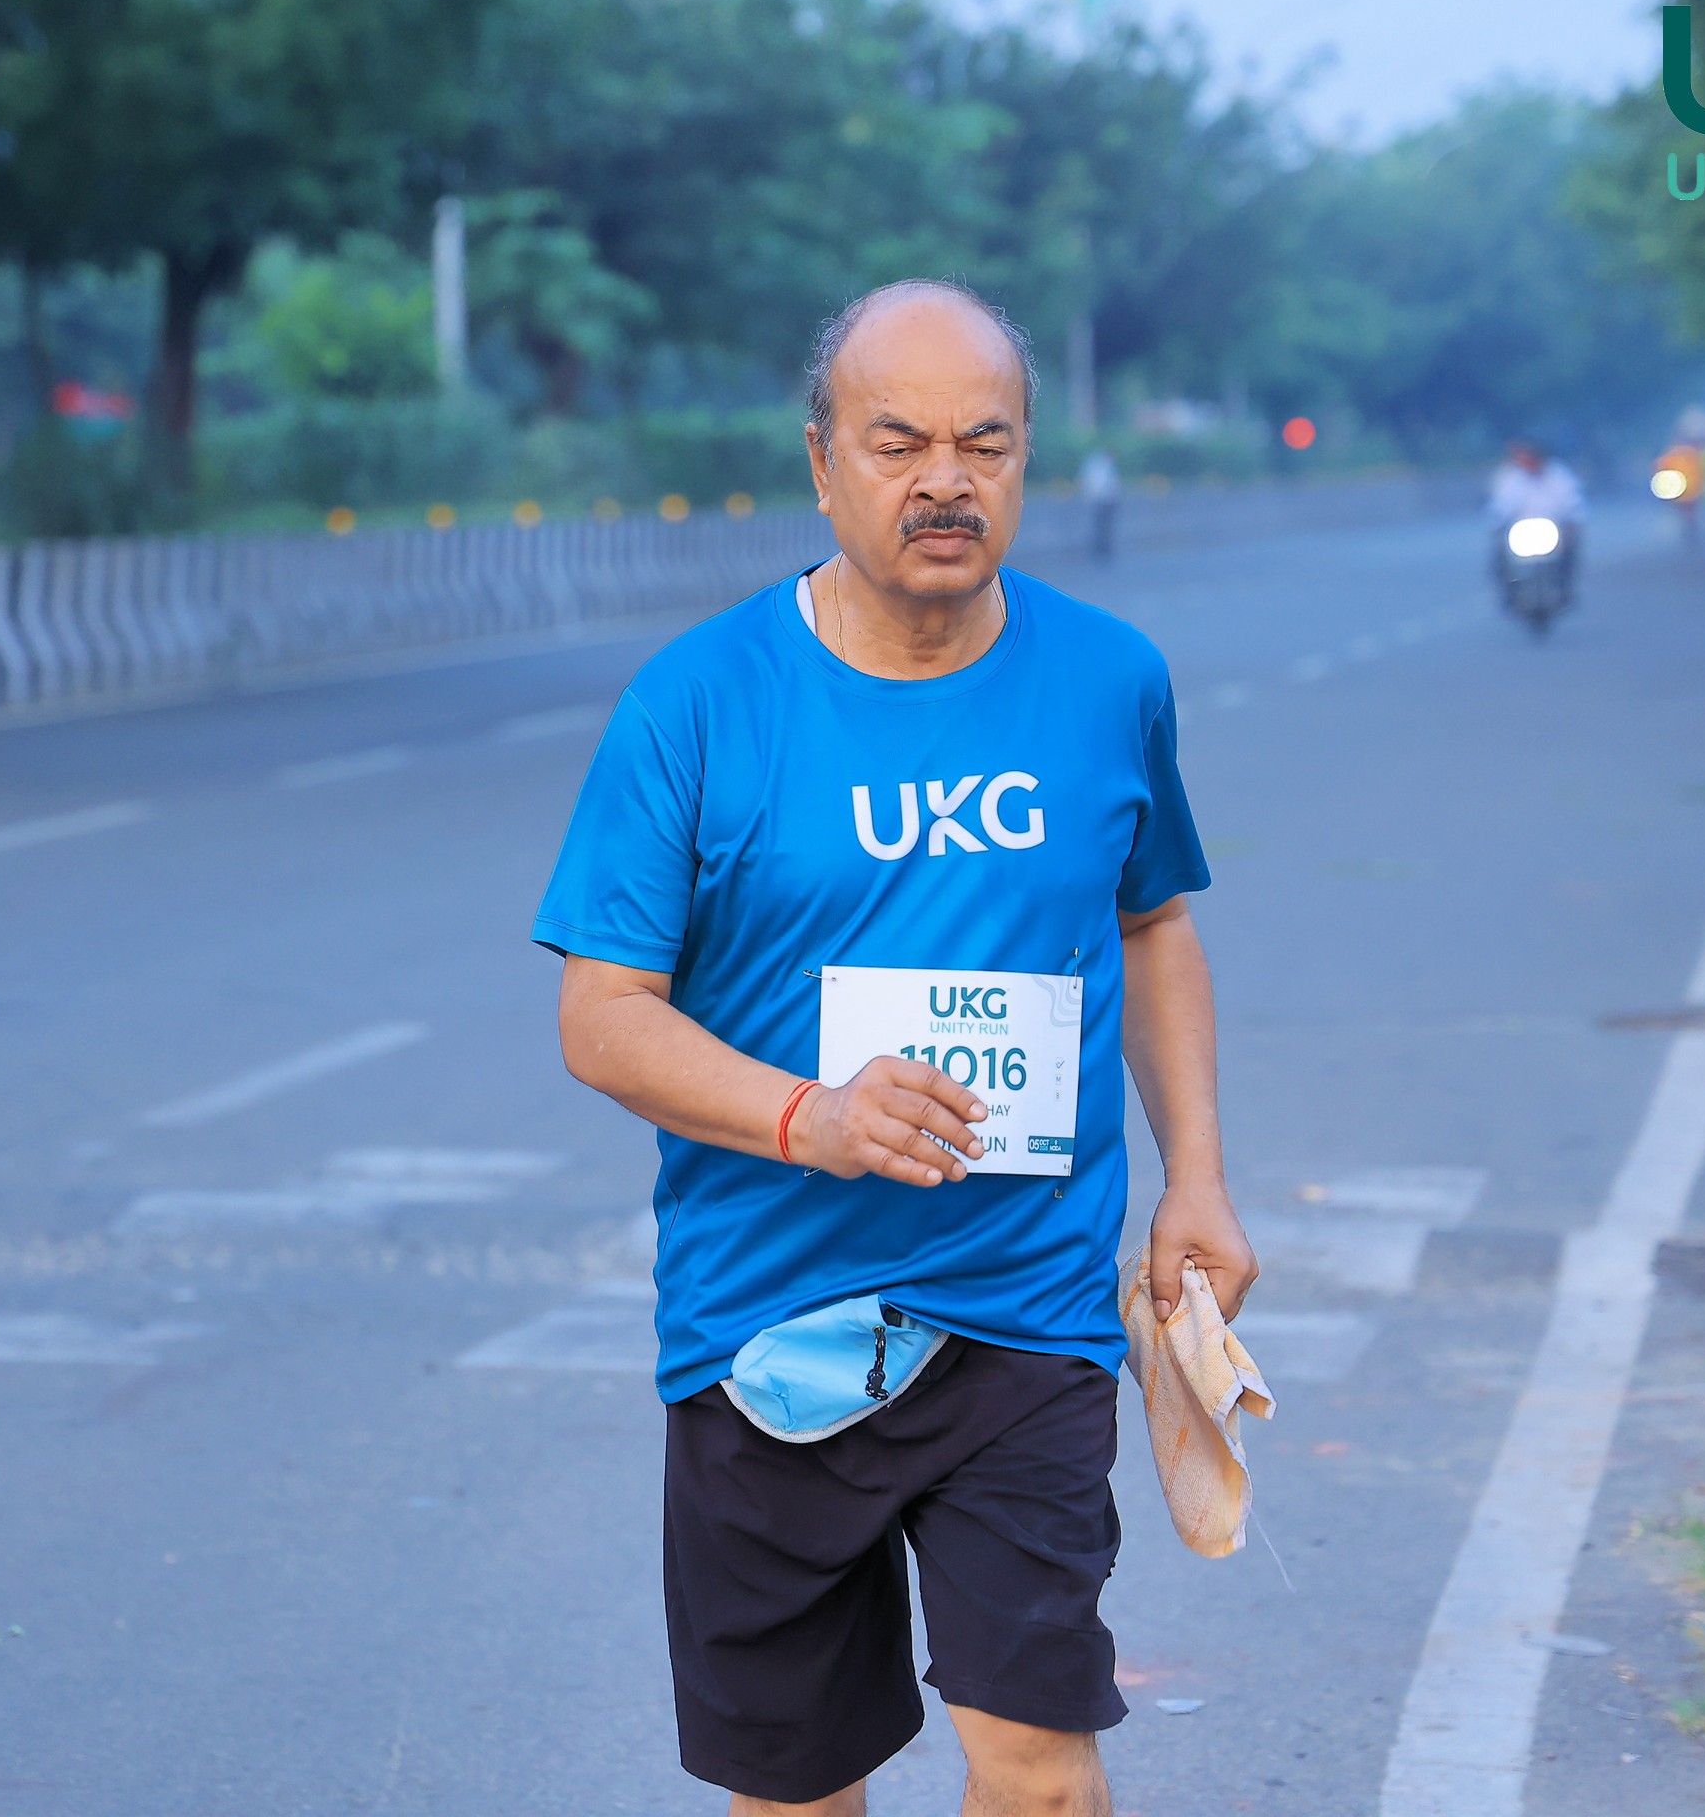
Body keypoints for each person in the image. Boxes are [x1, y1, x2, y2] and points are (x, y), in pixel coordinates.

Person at [535, 279, 1256, 1817]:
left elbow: (1152, 927)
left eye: (984, 444)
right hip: (767, 1331)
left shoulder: (1109, 679)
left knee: (1042, 1775)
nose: (945, 480)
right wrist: (812, 1118)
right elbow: (602, 1016)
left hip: (1027, 1313)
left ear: (1026, 460)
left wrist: (1196, 1176)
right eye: (898, 443)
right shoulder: (697, 704)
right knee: (800, 1794)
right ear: (822, 463)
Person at [1486, 438, 1586, 590]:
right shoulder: (1508, 477)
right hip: (1520, 532)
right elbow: (1499, 507)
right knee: (1499, 554)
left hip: (1554, 531)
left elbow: (1572, 503)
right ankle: (1507, 589)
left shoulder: (1558, 475)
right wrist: (1498, 524)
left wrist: (1572, 524)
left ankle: (1565, 586)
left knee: (1571, 551)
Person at [1078, 444, 1121, 560]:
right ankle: (1102, 548)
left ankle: (1102, 548)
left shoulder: (1098, 465)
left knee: (1103, 526)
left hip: (1103, 500)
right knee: (1103, 526)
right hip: (1103, 501)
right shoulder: (1103, 467)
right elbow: (1101, 484)